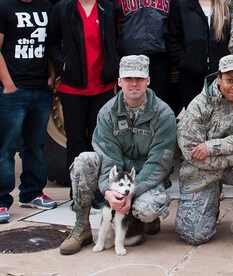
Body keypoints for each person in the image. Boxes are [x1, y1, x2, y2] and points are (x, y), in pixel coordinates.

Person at [59, 54, 178, 255]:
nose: (134, 84)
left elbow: (160, 162)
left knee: (147, 208)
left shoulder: (163, 114)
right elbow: (107, 157)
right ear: (119, 81)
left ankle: (140, 219)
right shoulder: (107, 113)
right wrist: (108, 191)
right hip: (117, 178)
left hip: (143, 176)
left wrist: (131, 192)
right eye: (128, 78)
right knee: (84, 160)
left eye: (139, 78)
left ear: (148, 81)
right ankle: (82, 227)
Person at [0, 0, 57, 224]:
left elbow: (49, 44)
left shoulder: (45, 6)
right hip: (14, 90)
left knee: (35, 146)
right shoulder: (2, 8)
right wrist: (8, 85)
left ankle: (31, 192)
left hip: (41, 88)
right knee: (5, 148)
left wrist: (51, 74)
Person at [175, 54, 233, 252]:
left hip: (232, 166)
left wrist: (211, 147)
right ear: (218, 78)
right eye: (230, 80)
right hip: (202, 172)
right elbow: (192, 154)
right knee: (194, 235)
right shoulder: (199, 105)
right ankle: (211, 196)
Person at [47, 0, 118, 189]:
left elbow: (114, 43)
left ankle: (98, 190)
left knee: (99, 141)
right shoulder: (63, 9)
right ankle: (77, 191)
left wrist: (113, 71)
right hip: (73, 88)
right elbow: (52, 43)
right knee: (76, 141)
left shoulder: (107, 9)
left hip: (102, 87)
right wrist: (63, 65)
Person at [102, 0, 183, 115]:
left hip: (160, 57)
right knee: (129, 108)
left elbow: (177, 23)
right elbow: (107, 26)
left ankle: (159, 143)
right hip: (128, 56)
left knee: (160, 108)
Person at [169, 0, 231, 110]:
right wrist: (185, 64)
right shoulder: (182, 7)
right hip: (191, 78)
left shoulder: (227, 7)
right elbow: (172, 40)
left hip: (221, 78)